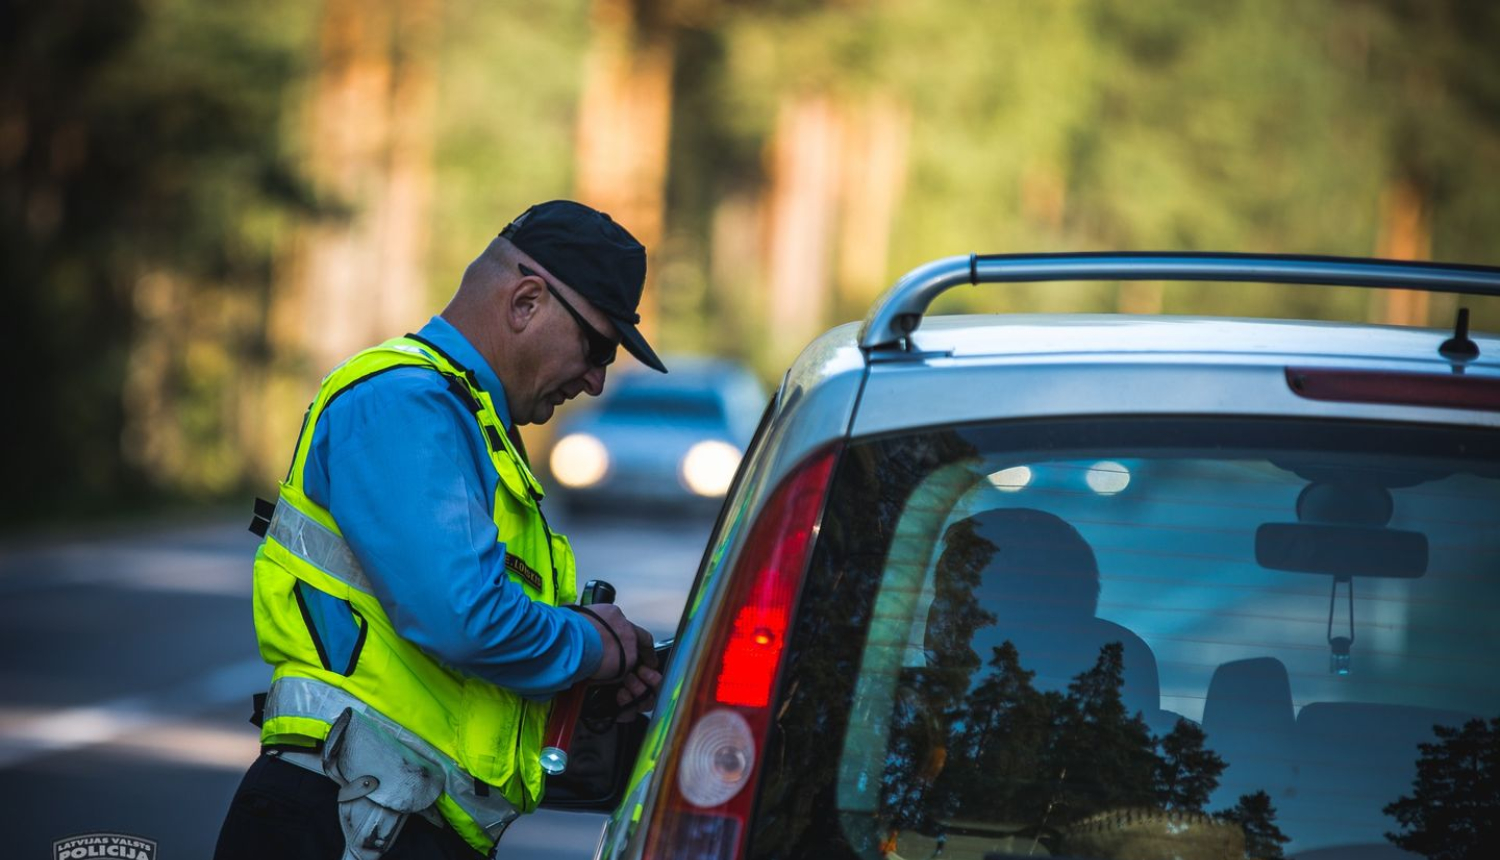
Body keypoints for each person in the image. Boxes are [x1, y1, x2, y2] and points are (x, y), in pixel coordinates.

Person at [215, 200, 666, 859]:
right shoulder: (405, 402)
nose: (597, 381)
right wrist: (594, 647)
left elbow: (452, 680)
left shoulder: (471, 425)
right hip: (345, 821)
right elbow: (466, 617)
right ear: (526, 303)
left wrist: (580, 687)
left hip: (387, 820)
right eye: (597, 346)